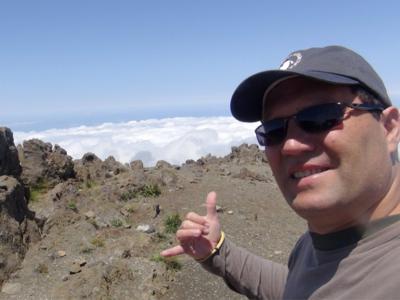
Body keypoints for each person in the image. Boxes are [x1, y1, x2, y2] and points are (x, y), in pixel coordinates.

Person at [161, 45, 400, 299]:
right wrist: (218, 252)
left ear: (388, 128)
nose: (290, 145)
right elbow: (298, 289)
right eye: (273, 130)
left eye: (320, 117)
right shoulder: (320, 240)